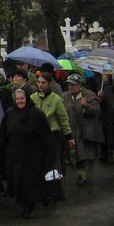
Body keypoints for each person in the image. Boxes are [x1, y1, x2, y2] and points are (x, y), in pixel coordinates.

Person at [0, 87, 57, 218]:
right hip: (15, 155)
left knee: (30, 182)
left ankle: (29, 206)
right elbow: (3, 134)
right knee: (18, 181)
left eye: (22, 98)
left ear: (27, 98)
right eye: (17, 99)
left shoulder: (37, 114)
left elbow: (46, 136)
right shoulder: (9, 114)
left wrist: (50, 154)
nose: (19, 101)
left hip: (33, 156)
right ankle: (23, 204)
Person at [30, 70, 75, 201]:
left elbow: (63, 119)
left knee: (53, 164)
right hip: (37, 136)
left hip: (53, 135)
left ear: (50, 84)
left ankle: (54, 190)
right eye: (38, 82)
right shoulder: (33, 98)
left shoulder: (56, 99)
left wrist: (69, 136)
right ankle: (40, 190)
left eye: (43, 82)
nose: (40, 85)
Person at [61, 74, 101, 186]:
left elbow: (97, 110)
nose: (70, 87)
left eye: (73, 85)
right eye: (69, 85)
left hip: (83, 131)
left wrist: (86, 106)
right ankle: (81, 175)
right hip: (70, 130)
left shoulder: (89, 95)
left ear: (79, 85)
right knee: (74, 157)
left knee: (82, 157)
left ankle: (82, 176)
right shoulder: (65, 96)